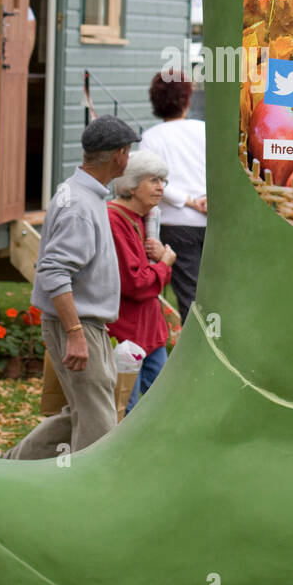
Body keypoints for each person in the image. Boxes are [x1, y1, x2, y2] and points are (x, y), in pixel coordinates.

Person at [2, 115, 139, 461]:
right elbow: (52, 270)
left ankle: (8, 468)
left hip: (84, 324)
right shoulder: (79, 205)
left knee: (80, 413)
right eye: (129, 151)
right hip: (79, 325)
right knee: (99, 425)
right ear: (119, 155)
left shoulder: (82, 193)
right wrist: (75, 332)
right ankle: (88, 498)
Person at [107, 150, 177, 414]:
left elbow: (153, 281)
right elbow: (136, 284)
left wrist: (160, 260)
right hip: (126, 336)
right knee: (127, 410)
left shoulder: (144, 219)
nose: (161, 187)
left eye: (163, 181)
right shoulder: (115, 220)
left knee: (165, 405)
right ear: (132, 185)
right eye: (154, 180)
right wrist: (165, 263)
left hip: (150, 333)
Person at [139, 71, 206, 320]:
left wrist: (189, 202)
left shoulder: (151, 138)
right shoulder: (204, 131)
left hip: (176, 225)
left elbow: (152, 181)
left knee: (189, 295)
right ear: (187, 100)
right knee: (216, 292)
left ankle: (198, 350)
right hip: (213, 221)